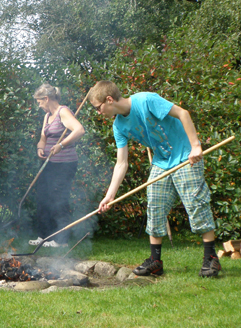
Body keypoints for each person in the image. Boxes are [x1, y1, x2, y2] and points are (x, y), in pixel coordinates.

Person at [90, 80, 221, 277]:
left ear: (109, 100)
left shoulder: (146, 100)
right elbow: (121, 163)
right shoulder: (118, 126)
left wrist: (195, 146)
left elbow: (183, 113)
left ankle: (211, 258)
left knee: (196, 203)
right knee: (155, 205)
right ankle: (155, 261)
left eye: (98, 108)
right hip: (161, 162)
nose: (98, 113)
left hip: (186, 155)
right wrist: (109, 196)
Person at [28, 84, 85, 248]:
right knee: (43, 198)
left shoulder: (63, 112)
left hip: (65, 164)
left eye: (39, 102)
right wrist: (40, 147)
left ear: (46, 99)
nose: (39, 105)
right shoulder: (48, 115)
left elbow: (79, 130)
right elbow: (43, 138)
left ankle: (61, 241)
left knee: (58, 199)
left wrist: (62, 145)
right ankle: (44, 237)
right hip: (49, 163)